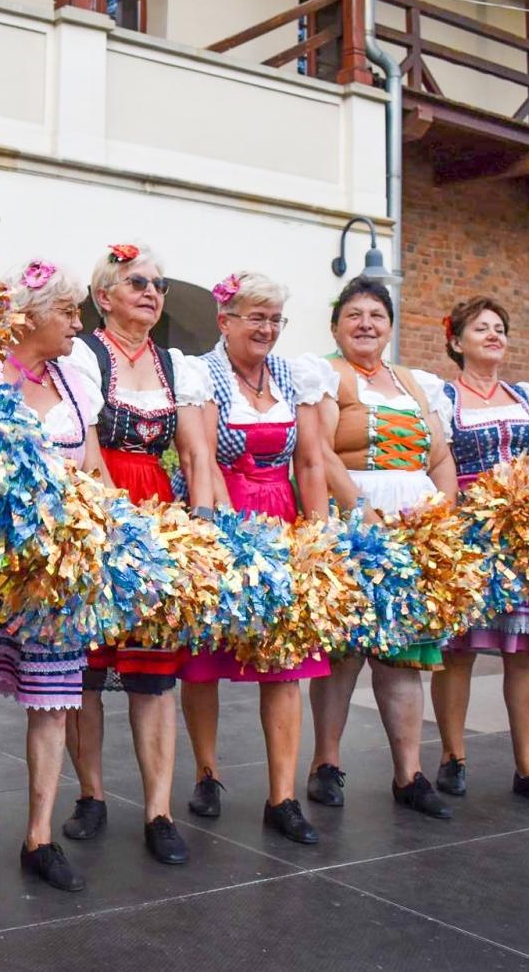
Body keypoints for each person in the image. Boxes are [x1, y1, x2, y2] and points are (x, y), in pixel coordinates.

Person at [0, 257, 109, 893]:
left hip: (55, 567)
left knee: (53, 700)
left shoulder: (75, 382)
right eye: (67, 311)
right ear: (28, 314)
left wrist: (108, 528)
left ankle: (40, 834)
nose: (77, 325)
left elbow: (94, 470)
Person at [60, 243, 215, 866]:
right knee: (86, 670)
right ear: (104, 297)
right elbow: (85, 439)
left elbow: (199, 454)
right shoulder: (82, 356)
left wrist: (199, 523)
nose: (152, 291)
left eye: (157, 284)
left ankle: (159, 809)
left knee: (156, 674)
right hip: (100, 512)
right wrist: (103, 523)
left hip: (159, 514)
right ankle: (91, 795)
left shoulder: (176, 366)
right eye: (137, 283)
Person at [183, 273, 330, 844]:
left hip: (285, 518)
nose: (267, 328)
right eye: (256, 317)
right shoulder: (203, 374)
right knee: (206, 658)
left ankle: (283, 797)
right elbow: (204, 459)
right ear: (226, 322)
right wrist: (219, 534)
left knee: (286, 662)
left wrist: (317, 536)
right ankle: (207, 773)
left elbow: (313, 463)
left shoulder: (297, 376)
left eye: (275, 319)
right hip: (227, 518)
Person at [308, 276, 458, 820]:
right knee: (345, 651)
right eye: (354, 315)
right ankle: (326, 763)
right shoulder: (328, 376)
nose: (366, 323)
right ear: (335, 326)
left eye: (376, 314)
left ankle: (409, 774)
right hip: (357, 523)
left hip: (416, 526)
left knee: (403, 656)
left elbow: (440, 456)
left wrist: (442, 511)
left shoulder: (417, 383)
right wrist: (360, 512)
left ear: (390, 326)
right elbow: (319, 452)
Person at [427, 298, 529, 809]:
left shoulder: (523, 396)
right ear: (457, 341)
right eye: (482, 328)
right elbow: (437, 462)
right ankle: (453, 757)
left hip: (527, 534)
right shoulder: (443, 397)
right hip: (471, 526)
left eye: (500, 328)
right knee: (459, 650)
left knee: (527, 654)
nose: (494, 335)